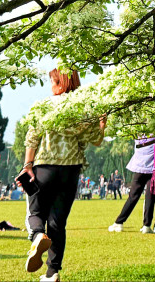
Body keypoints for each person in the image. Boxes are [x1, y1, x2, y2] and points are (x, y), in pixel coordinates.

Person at [17, 68, 105, 282]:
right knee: (57, 222)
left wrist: (27, 165)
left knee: (35, 212)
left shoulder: (45, 105)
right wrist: (101, 126)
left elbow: (32, 137)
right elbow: (95, 140)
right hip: (71, 171)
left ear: (59, 82)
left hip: (44, 167)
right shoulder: (84, 108)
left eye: (52, 81)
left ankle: (38, 236)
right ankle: (52, 273)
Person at [108, 136, 155, 234]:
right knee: (150, 198)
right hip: (153, 170)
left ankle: (119, 222)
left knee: (132, 197)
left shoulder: (138, 137)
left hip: (139, 169)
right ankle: (146, 225)